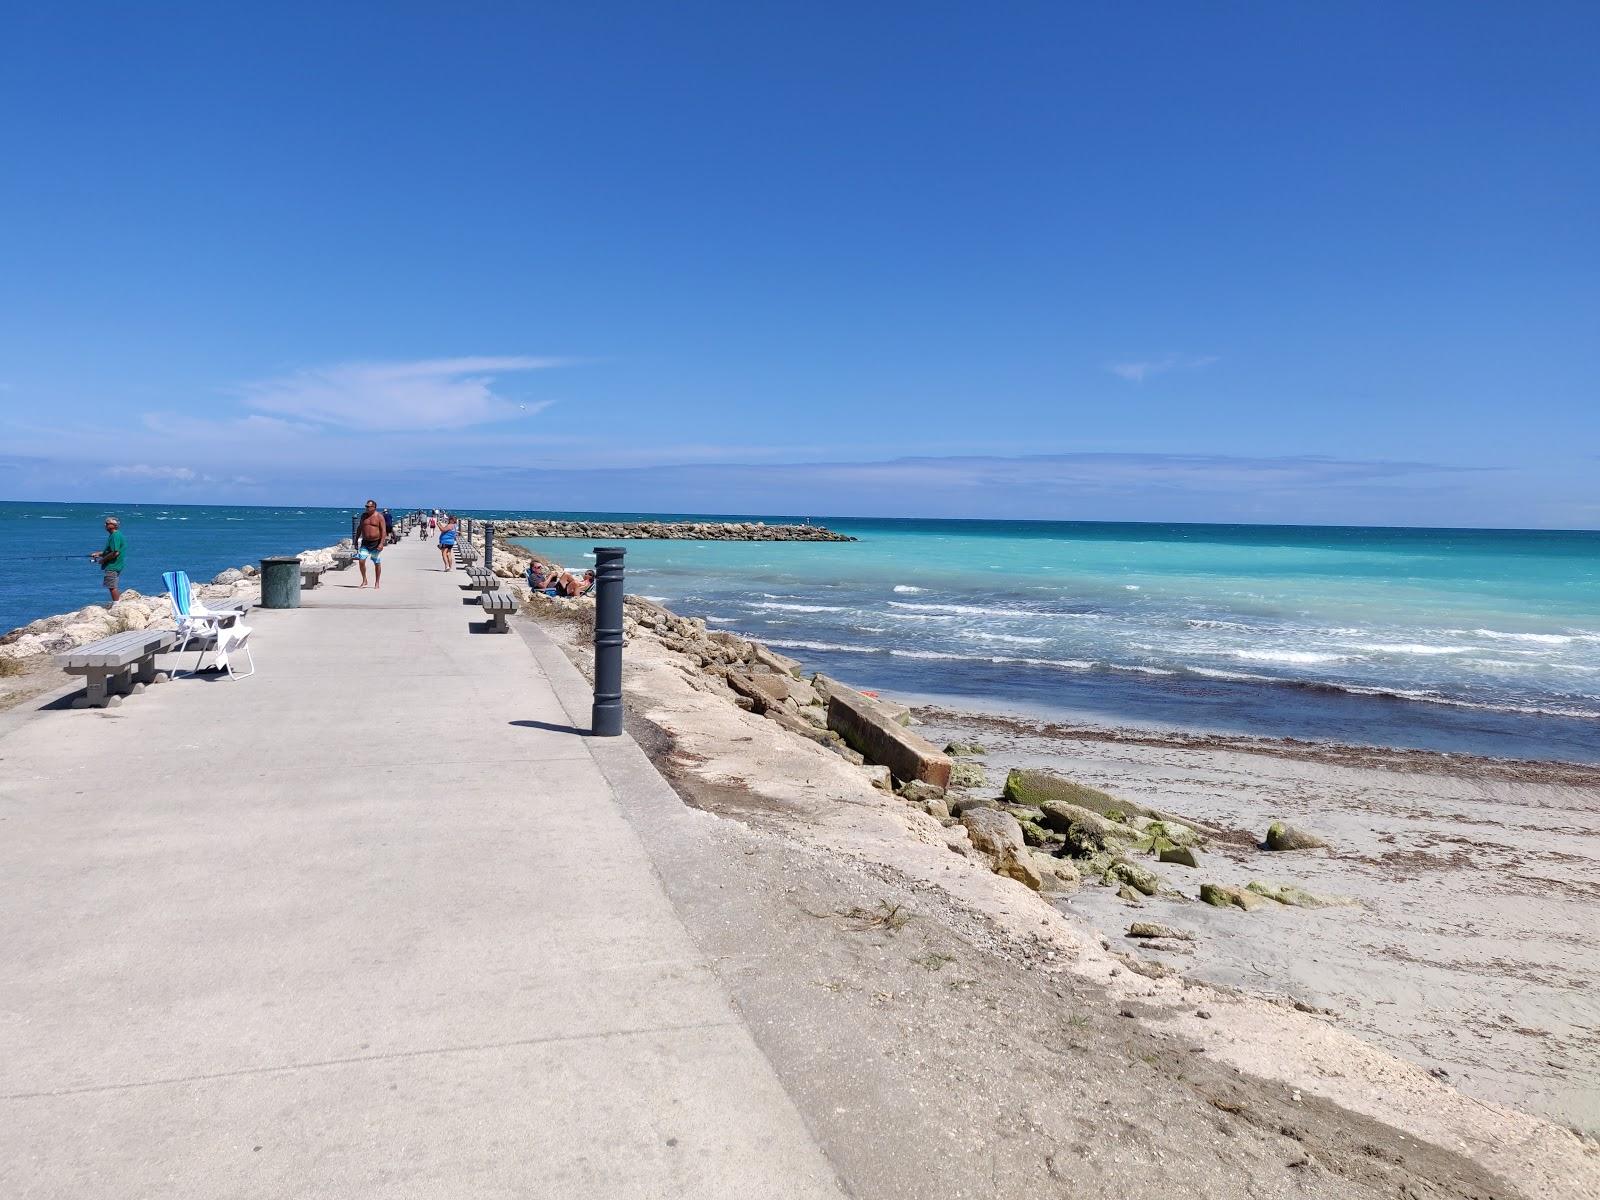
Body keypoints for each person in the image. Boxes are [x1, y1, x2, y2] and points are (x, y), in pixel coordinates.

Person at [89, 515, 125, 602]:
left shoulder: (115, 536)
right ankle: (117, 603)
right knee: (112, 586)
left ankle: (117, 605)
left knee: (112, 587)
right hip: (116, 564)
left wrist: (103, 560)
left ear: (113, 525)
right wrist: (99, 554)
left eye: (107, 523)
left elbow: (115, 553)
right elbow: (111, 551)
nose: (105, 525)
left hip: (113, 565)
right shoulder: (116, 535)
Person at [355, 499, 387, 589]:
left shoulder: (379, 516)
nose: (367, 508)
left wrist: (381, 543)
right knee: (361, 561)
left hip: (375, 543)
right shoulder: (363, 516)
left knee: (376, 562)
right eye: (366, 506)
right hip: (365, 542)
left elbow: (383, 531)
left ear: (374, 507)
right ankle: (364, 580)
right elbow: (359, 528)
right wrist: (356, 540)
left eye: (368, 507)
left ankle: (377, 582)